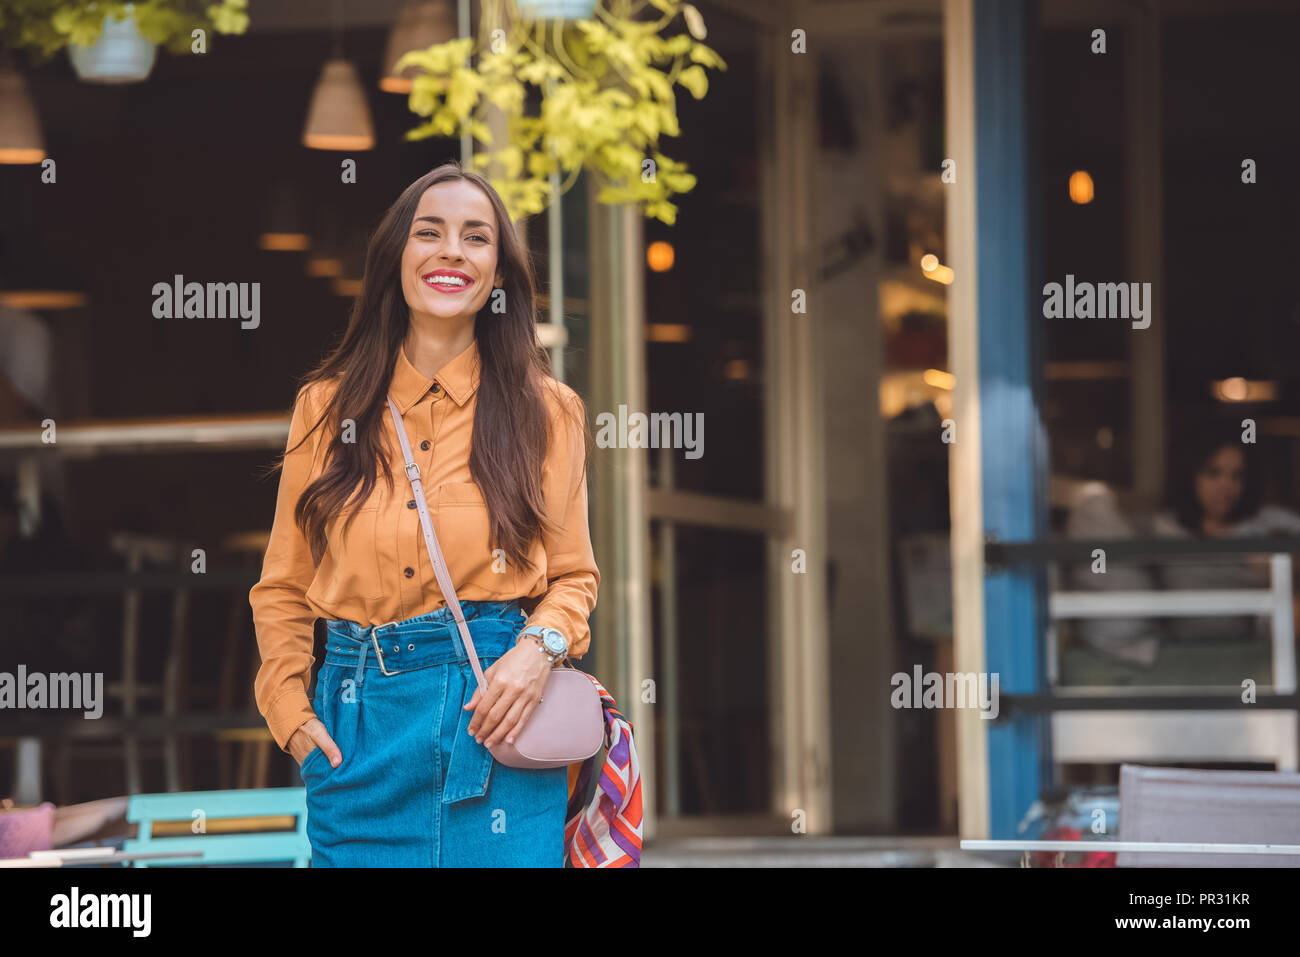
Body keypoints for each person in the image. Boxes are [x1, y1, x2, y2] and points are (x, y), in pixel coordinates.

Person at [249, 162, 599, 867]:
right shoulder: (326, 408)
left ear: (496, 274)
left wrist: (539, 652)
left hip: (497, 720)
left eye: (476, 238)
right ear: (395, 260)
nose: (451, 252)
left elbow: (574, 579)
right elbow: (284, 584)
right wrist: (290, 713)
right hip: (357, 733)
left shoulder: (548, 411)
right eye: (429, 233)